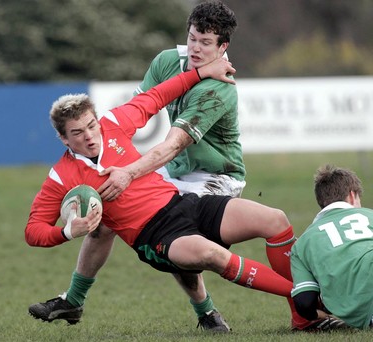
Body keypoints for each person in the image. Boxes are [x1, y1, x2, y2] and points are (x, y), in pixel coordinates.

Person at [25, 59, 308, 332]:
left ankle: (303, 313)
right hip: (154, 236)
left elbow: (158, 95)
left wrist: (204, 71)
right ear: (63, 139)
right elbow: (33, 231)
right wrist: (67, 232)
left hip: (184, 203)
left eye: (91, 125)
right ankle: (308, 298)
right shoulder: (62, 177)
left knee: (274, 219)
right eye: (77, 133)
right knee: (211, 255)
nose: (89, 136)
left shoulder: (113, 123)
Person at [29, 1, 246, 332]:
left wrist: (131, 169)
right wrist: (117, 145)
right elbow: (145, 105)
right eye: (193, 38)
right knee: (103, 217)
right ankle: (73, 302)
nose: (196, 47)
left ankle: (207, 313)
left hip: (216, 177)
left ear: (223, 46)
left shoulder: (222, 84)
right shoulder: (165, 62)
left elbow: (174, 144)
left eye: (206, 42)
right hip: (171, 170)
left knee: (172, 235)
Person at [291, 165, 373, 330]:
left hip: (361, 317)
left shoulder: (302, 244)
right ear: (352, 196)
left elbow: (304, 303)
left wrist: (330, 317)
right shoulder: (368, 214)